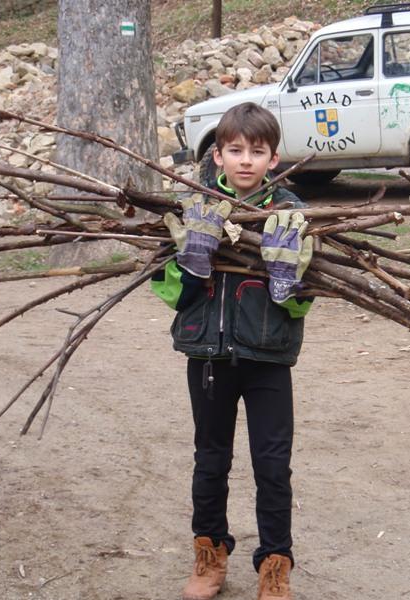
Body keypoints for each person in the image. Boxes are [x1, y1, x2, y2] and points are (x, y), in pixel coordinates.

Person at [151, 102, 314, 600]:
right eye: (235, 150)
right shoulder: (190, 209)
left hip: (267, 358)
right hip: (208, 358)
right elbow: (170, 294)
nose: (246, 160)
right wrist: (192, 260)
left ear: (274, 158)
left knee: (271, 464)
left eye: (257, 151)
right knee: (210, 459)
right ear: (217, 155)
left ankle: (274, 565)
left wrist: (288, 280)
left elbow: (306, 304)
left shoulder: (292, 214)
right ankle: (209, 555)